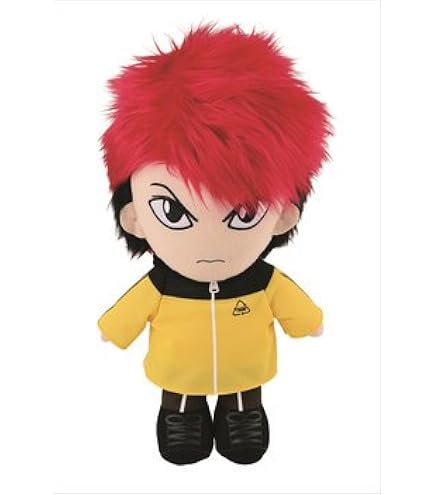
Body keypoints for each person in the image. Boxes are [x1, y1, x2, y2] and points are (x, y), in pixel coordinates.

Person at [98, 22, 331, 465]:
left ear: (283, 215)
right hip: (179, 373)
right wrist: (113, 329)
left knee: (243, 397)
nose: (208, 240)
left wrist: (309, 322)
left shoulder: (263, 283)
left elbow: (294, 307)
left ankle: (240, 417)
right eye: (172, 211)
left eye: (243, 213)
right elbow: (129, 311)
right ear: (135, 218)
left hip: (245, 372)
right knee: (181, 397)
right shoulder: (162, 285)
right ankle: (182, 419)